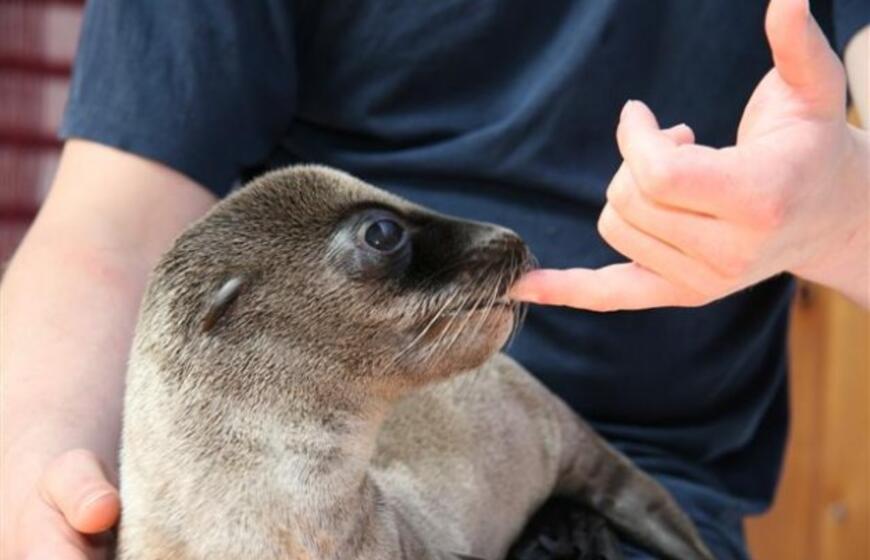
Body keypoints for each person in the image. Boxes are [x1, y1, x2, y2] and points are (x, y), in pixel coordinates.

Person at [1, 0, 866, 558]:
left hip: (630, 493)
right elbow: (106, 232)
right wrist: (39, 486)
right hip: (295, 430)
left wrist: (845, 215)